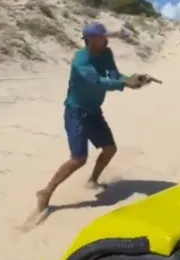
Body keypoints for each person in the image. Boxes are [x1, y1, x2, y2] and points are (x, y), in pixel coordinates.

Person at [35, 22, 151, 213]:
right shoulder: (80, 60)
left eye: (105, 35)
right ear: (88, 40)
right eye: (100, 37)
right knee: (79, 158)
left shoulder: (106, 53)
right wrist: (126, 84)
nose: (105, 39)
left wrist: (132, 78)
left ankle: (92, 180)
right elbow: (96, 82)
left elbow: (113, 74)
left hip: (94, 111)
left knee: (110, 149)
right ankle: (46, 192)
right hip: (76, 112)